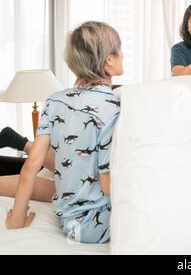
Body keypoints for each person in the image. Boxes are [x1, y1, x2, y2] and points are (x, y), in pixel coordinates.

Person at [4, 21, 123, 244]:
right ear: (109, 60)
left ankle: (19, 142)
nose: (123, 56)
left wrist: (17, 220)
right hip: (94, 230)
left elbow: (31, 165)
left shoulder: (55, 100)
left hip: (67, 221)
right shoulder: (113, 106)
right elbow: (107, 185)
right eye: (120, 51)